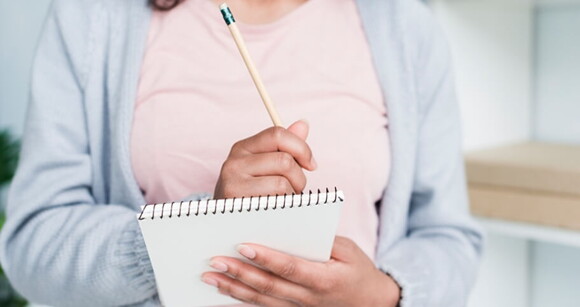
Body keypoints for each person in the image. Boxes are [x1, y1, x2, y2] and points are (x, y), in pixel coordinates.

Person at [0, 0, 483, 306]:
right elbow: (31, 245)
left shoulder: (406, 27)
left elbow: (449, 238)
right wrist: (198, 228)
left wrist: (383, 294)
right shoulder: (93, 19)